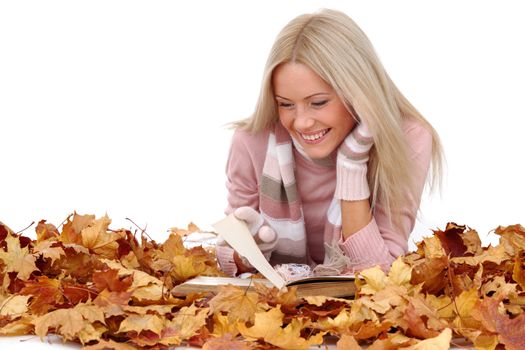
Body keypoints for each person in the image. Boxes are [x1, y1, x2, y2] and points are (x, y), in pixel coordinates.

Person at [216, 8, 443, 277]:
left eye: (318, 103)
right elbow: (229, 258)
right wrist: (249, 253)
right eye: (286, 104)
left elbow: (380, 273)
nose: (301, 122)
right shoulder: (252, 142)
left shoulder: (408, 137)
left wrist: (352, 164)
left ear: (357, 91)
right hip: (278, 310)